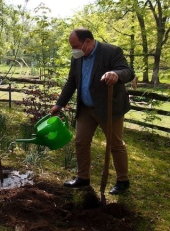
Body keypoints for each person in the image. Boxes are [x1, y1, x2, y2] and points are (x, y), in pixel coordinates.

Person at [50, 28, 135, 195]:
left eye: (75, 46)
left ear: (87, 42)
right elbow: (71, 82)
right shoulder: (78, 58)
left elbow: (128, 72)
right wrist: (59, 104)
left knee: (115, 145)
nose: (73, 50)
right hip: (86, 108)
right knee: (81, 142)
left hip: (109, 108)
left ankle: (123, 181)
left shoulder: (111, 52)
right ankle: (83, 178)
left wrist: (115, 74)